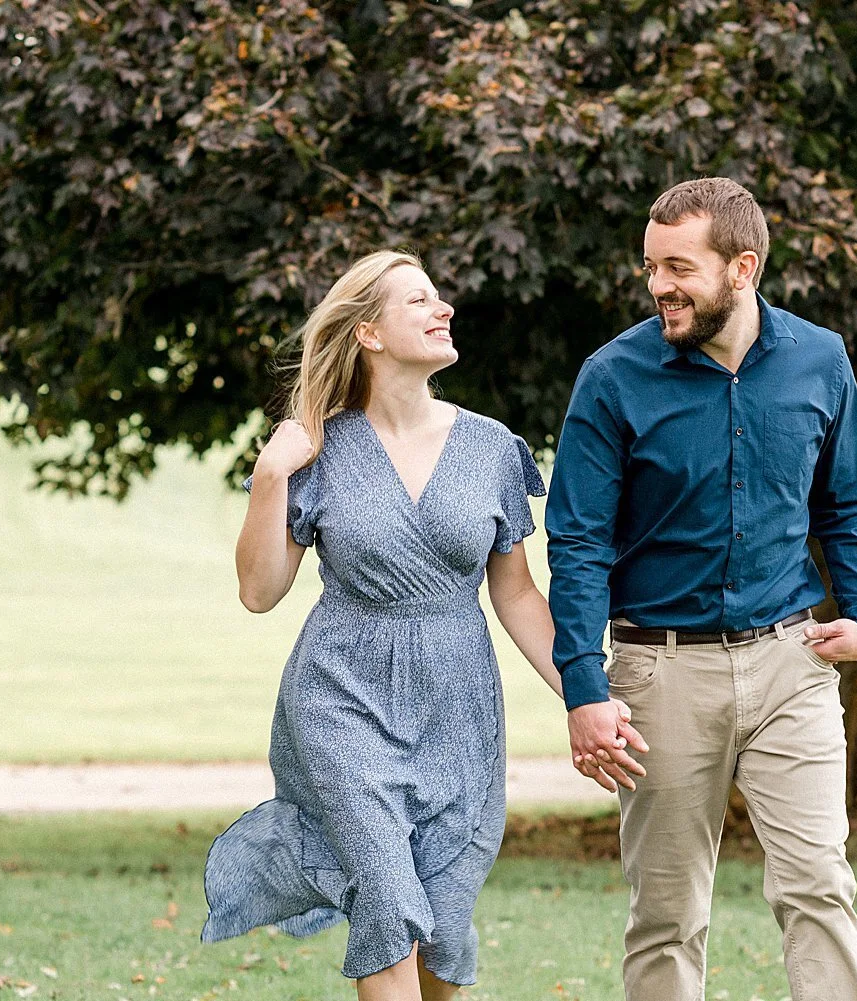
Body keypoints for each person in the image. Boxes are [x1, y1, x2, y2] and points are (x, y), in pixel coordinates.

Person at [200, 249, 645, 1000]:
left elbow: (516, 594)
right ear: (369, 333)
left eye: (440, 298)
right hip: (340, 697)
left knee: (442, 923)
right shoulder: (316, 446)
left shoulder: (492, 448)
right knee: (386, 895)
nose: (443, 310)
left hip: (458, 703)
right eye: (419, 301)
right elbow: (258, 590)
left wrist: (582, 688)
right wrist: (272, 475)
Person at [546, 177, 857, 1000]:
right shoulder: (613, 376)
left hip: (789, 662)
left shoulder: (820, 358)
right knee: (666, 914)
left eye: (677, 267)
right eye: (650, 267)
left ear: (743, 267)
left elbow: (848, 503)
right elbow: (579, 540)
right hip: (657, 674)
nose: (659, 285)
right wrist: (584, 685)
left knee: (818, 886)